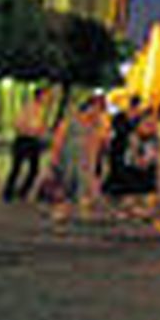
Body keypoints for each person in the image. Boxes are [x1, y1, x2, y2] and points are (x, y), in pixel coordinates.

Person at [47, 95, 106, 225]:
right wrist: (54, 159)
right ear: (88, 107)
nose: (98, 112)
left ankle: (77, 216)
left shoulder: (95, 125)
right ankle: (61, 214)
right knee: (65, 187)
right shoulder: (71, 121)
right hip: (67, 160)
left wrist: (94, 166)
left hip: (84, 163)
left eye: (100, 109)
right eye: (96, 108)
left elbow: (96, 146)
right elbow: (58, 139)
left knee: (83, 189)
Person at [3, 86, 52, 203]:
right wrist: (32, 130)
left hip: (33, 141)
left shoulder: (41, 110)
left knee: (34, 169)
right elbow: (18, 124)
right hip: (24, 140)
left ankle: (22, 192)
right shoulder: (29, 108)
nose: (48, 99)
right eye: (46, 95)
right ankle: (8, 192)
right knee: (17, 167)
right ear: (39, 96)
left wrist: (40, 130)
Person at [119, 113, 160, 219]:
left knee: (148, 191)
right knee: (131, 190)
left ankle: (144, 210)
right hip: (132, 169)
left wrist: (146, 161)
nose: (152, 127)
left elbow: (152, 155)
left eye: (153, 125)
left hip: (146, 169)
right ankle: (131, 209)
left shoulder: (152, 139)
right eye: (147, 124)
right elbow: (131, 156)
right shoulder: (133, 138)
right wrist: (139, 160)